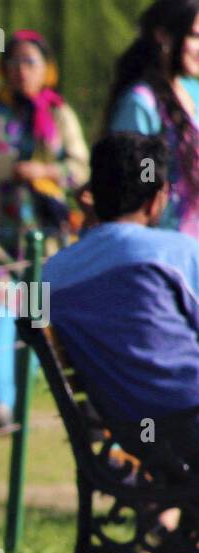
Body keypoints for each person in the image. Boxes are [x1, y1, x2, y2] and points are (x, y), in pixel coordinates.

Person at [0, 29, 89, 429]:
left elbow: (80, 169)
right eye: (14, 62)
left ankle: (28, 407)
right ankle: (2, 406)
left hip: (43, 242)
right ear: (2, 67)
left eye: (31, 62)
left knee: (35, 327)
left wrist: (42, 172)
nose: (21, 71)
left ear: (47, 70)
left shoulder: (59, 114)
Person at [44, 132, 199, 471]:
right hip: (189, 421)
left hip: (138, 435)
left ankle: (172, 513)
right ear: (155, 200)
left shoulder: (55, 273)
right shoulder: (174, 252)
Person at [106, 0, 199, 238]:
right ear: (163, 35)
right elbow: (133, 182)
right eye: (194, 36)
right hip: (161, 249)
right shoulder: (141, 102)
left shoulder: (192, 92)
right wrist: (154, 181)